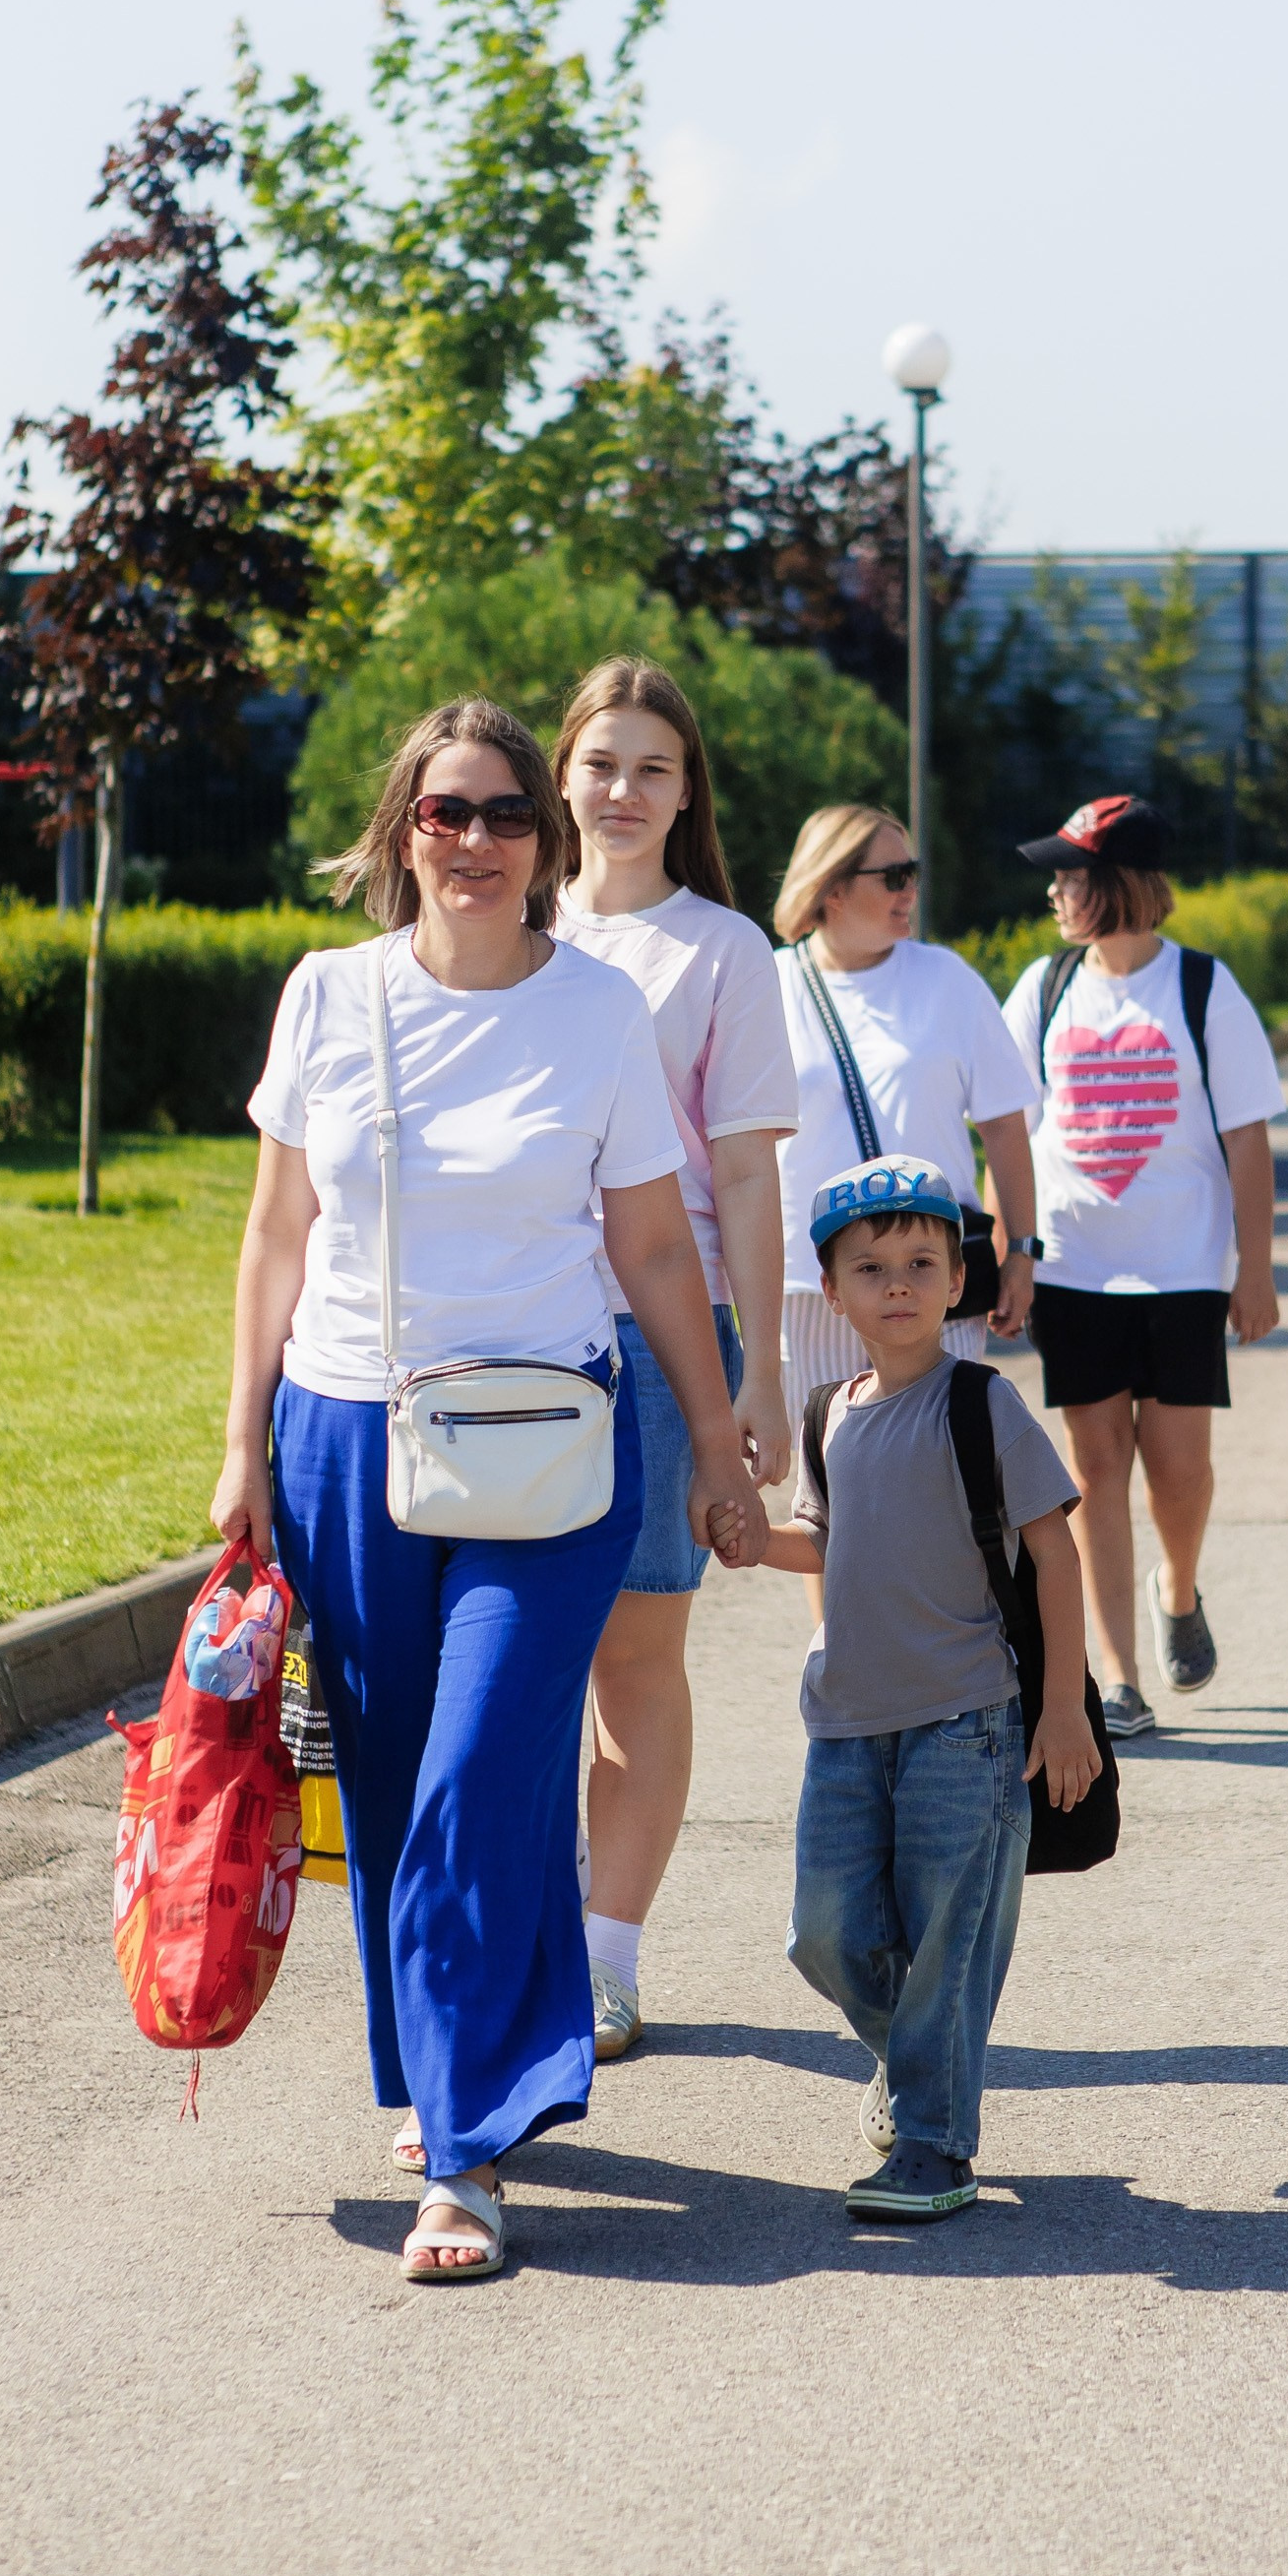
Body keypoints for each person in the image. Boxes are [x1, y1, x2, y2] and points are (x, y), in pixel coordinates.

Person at [215, 697, 767, 2285]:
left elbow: (656, 1246)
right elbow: (274, 1234)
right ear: (402, 830)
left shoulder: (597, 1015)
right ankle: (470, 2066)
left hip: (548, 1448)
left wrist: (722, 1441)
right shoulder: (327, 997)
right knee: (397, 1791)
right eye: (446, 811)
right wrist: (242, 1442)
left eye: (505, 812)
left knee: (478, 1766)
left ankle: (462, 2154)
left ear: (544, 839)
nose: (475, 839)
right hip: (347, 1433)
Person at [730, 1157, 1098, 2221]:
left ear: (957, 1283)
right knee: (825, 1932)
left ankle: (934, 2145)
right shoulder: (824, 1416)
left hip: (966, 1725)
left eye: (921, 1264)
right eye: (871, 1267)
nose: (896, 1284)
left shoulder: (982, 1403)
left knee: (948, 1935)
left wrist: (1063, 1705)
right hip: (845, 1722)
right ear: (832, 1292)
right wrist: (760, 1545)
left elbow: (1054, 1552)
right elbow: (827, 1541)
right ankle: (921, 2061)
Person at [552, 656, 800, 2062]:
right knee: (522, 1660)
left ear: (686, 788)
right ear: (562, 774)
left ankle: (606, 1955)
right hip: (514, 1336)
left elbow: (749, 1176)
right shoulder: (514, 930)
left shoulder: (722, 951)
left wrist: (757, 1369)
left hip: (665, 1339)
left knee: (636, 1651)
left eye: (653, 767)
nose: (624, 791)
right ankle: (525, 1934)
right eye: (601, 762)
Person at [999, 795, 1284, 1740]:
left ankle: (1180, 1583)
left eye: (1070, 874)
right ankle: (1117, 1674)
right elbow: (1012, 1134)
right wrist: (1011, 1252)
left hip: (1186, 1268)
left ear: (1118, 886)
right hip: (1077, 1266)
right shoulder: (1043, 988)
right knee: (1095, 1467)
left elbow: (1248, 1141)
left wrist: (1257, 1269)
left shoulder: (1204, 989)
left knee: (1180, 1469)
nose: (1054, 889)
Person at [770, 804, 1043, 1414]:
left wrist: (1020, 1252)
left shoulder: (947, 979)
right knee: (829, 1478)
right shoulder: (769, 985)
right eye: (893, 876)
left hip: (930, 1272)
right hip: (810, 1280)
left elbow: (1004, 1126)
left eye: (913, 873)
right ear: (831, 887)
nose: (911, 891)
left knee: (943, 1468)